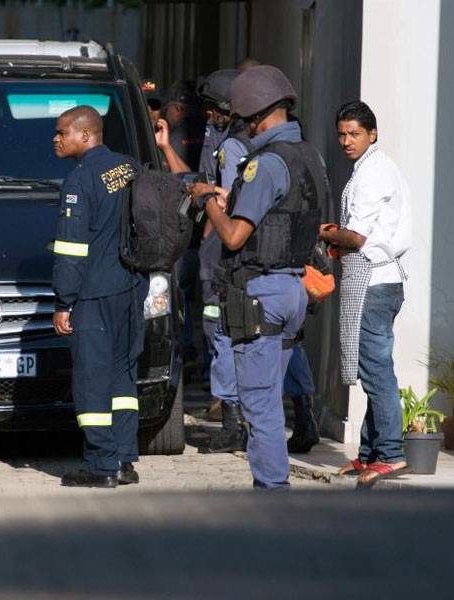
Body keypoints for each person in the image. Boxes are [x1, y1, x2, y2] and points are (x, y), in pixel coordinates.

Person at [191, 65, 326, 489]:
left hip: (261, 294)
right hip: (293, 291)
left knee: (261, 407)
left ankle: (272, 494)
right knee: (272, 396)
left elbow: (232, 236)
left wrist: (208, 198)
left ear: (255, 116)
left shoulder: (263, 164)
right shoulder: (310, 156)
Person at [51, 105, 144, 488]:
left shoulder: (80, 179)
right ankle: (123, 458)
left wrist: (63, 301)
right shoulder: (129, 167)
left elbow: (71, 249)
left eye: (61, 133)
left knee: (91, 378)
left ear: (85, 135)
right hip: (132, 287)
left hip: (94, 293)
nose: (55, 139)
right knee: (123, 374)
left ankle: (100, 465)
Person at [321, 100, 412, 487]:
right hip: (376, 280)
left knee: (376, 371)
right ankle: (371, 453)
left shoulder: (374, 172)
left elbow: (356, 237)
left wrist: (324, 232)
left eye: (354, 133)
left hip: (375, 281)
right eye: (341, 134)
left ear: (372, 134)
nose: (346, 141)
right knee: (370, 366)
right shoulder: (372, 167)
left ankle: (390, 453)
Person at [190, 69, 250, 453]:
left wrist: (205, 192)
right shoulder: (267, 141)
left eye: (213, 110)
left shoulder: (232, 147)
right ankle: (304, 414)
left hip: (226, 257)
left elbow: (226, 200)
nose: (209, 116)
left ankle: (231, 423)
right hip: (257, 258)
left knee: (220, 335)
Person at [155, 80, 208, 372]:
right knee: (207, 301)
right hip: (207, 232)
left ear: (176, 107)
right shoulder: (208, 132)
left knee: (180, 295)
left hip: (187, 231)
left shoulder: (177, 136)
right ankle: (199, 360)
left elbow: (186, 180)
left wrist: (163, 148)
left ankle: (185, 352)